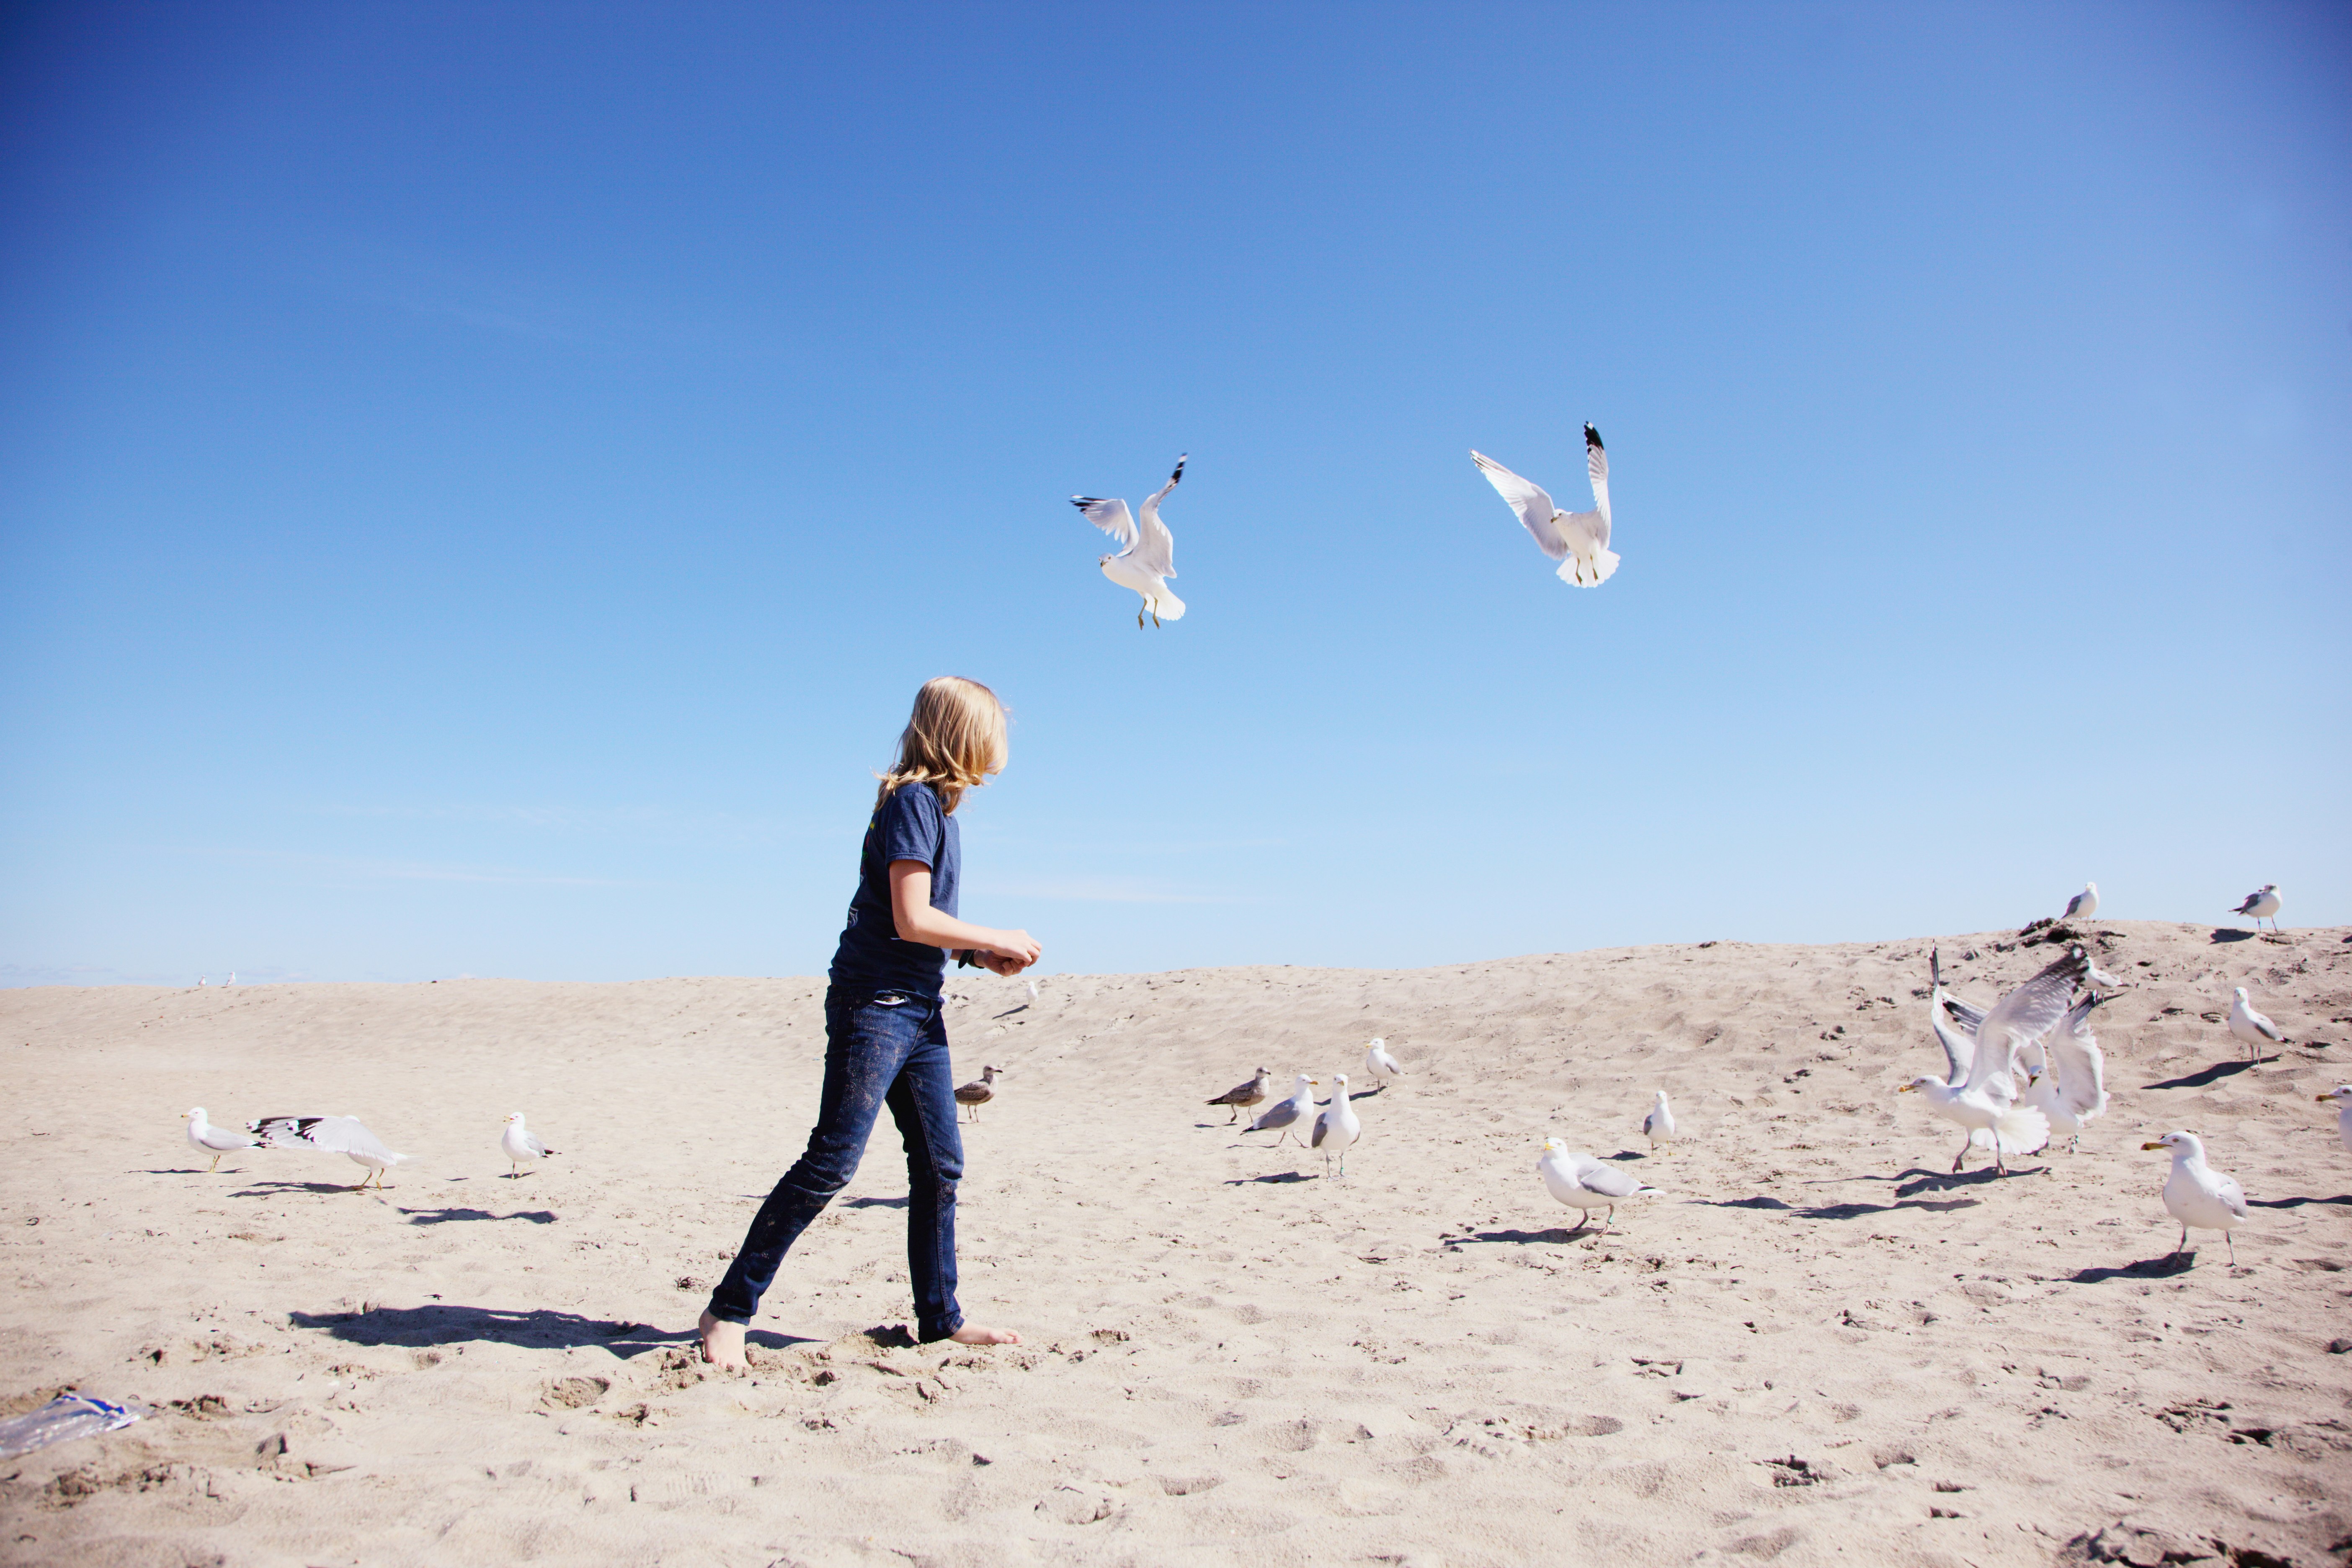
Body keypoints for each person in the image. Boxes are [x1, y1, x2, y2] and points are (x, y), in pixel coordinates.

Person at [699, 677, 1038, 1367]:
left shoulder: (940, 815)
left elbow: (914, 928)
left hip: (918, 1006)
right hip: (876, 1005)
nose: (1002, 744)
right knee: (833, 1161)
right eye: (994, 730)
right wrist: (993, 934)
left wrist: (973, 953)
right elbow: (913, 918)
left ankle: (940, 1320)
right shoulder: (912, 803)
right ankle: (727, 1311)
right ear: (963, 735)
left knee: (941, 1164)